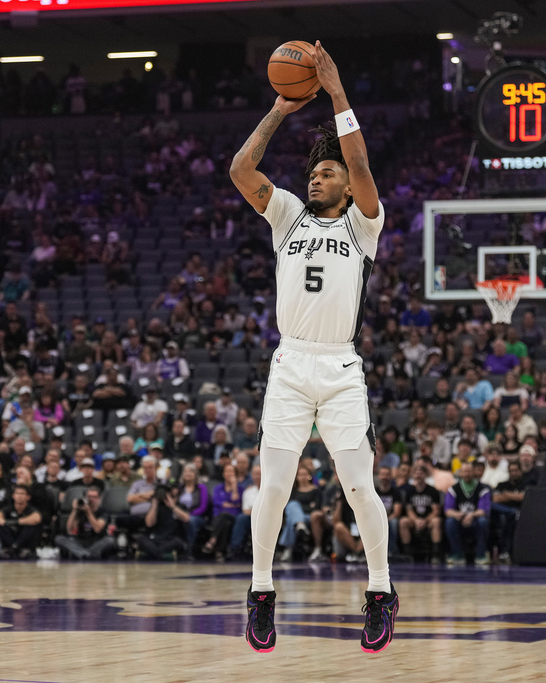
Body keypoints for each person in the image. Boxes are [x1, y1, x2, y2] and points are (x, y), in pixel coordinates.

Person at [230, 40, 395, 652]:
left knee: (358, 486)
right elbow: (241, 172)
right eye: (314, 173)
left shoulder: (363, 223)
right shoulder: (289, 217)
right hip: (292, 364)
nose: (318, 177)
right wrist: (278, 111)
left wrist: (337, 92)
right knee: (272, 487)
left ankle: (379, 589)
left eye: (328, 173)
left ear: (349, 187)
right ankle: (261, 589)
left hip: (341, 368)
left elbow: (361, 161)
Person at [444, 461, 492, 565]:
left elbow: (483, 510)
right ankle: (457, 554)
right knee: (450, 522)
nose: (467, 474)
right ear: (460, 473)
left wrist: (471, 515)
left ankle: (481, 555)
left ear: (474, 472)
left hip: (475, 520)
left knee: (483, 521)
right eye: (464, 472)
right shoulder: (453, 489)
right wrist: (457, 514)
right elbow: (448, 510)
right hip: (460, 520)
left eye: (469, 471)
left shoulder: (483, 489)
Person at [398, 463, 443, 564]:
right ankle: (407, 554)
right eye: (416, 473)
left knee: (437, 521)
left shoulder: (432, 491)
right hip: (414, 520)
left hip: (428, 519)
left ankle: (435, 554)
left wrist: (425, 520)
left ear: (425, 475)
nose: (418, 475)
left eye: (421, 473)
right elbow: (409, 510)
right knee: (403, 521)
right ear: (413, 476)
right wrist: (416, 521)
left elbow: (436, 511)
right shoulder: (409, 491)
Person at [55, 487, 113, 561]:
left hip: (96, 541)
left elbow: (97, 529)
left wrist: (88, 512)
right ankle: (87, 554)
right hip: (80, 541)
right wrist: (74, 510)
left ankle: (82, 554)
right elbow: (69, 529)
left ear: (99, 499)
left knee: (110, 540)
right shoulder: (80, 510)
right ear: (85, 497)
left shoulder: (103, 512)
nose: (92, 499)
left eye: (94, 497)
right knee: (59, 539)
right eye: (89, 497)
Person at [0, 485, 42, 559]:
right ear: (13, 496)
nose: (19, 496)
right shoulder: (9, 508)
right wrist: (5, 522)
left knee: (31, 525)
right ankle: (13, 547)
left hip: (24, 539)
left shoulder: (30, 509)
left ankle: (17, 547)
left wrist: (16, 522)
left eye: (22, 494)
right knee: (0, 525)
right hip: (11, 536)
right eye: (17, 493)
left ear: (28, 497)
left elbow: (37, 518)